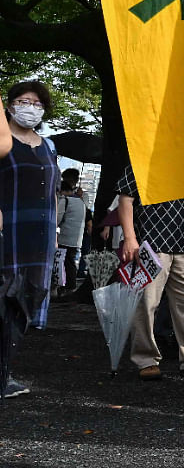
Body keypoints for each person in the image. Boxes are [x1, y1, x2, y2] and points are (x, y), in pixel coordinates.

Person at [117, 164, 184, 381]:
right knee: (146, 304)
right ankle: (145, 359)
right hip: (150, 245)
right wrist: (130, 238)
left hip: (183, 244)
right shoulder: (143, 158)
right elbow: (125, 199)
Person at [0, 81, 59, 399]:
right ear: (8, 106)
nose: (29, 107)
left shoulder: (49, 147)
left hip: (42, 236)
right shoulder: (2, 143)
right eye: (22, 100)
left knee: (27, 301)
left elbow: (52, 192)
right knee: (5, 301)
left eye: (36, 103)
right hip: (8, 231)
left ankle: (5, 373)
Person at [56, 169, 88, 296]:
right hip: (77, 238)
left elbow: (58, 218)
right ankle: (70, 286)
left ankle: (67, 286)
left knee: (64, 263)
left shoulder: (67, 200)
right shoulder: (80, 200)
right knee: (70, 262)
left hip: (65, 236)